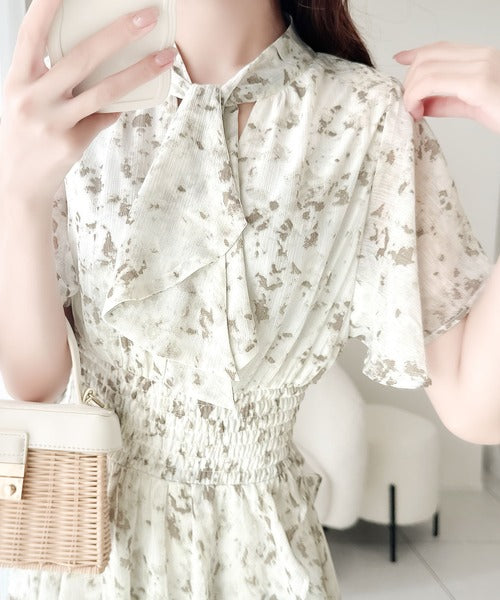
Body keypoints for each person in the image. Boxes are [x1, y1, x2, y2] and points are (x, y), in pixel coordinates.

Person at [0, 0, 499, 598]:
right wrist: (17, 195)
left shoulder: (366, 117)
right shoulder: (75, 98)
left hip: (260, 562)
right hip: (85, 552)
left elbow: (477, 408)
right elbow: (36, 386)